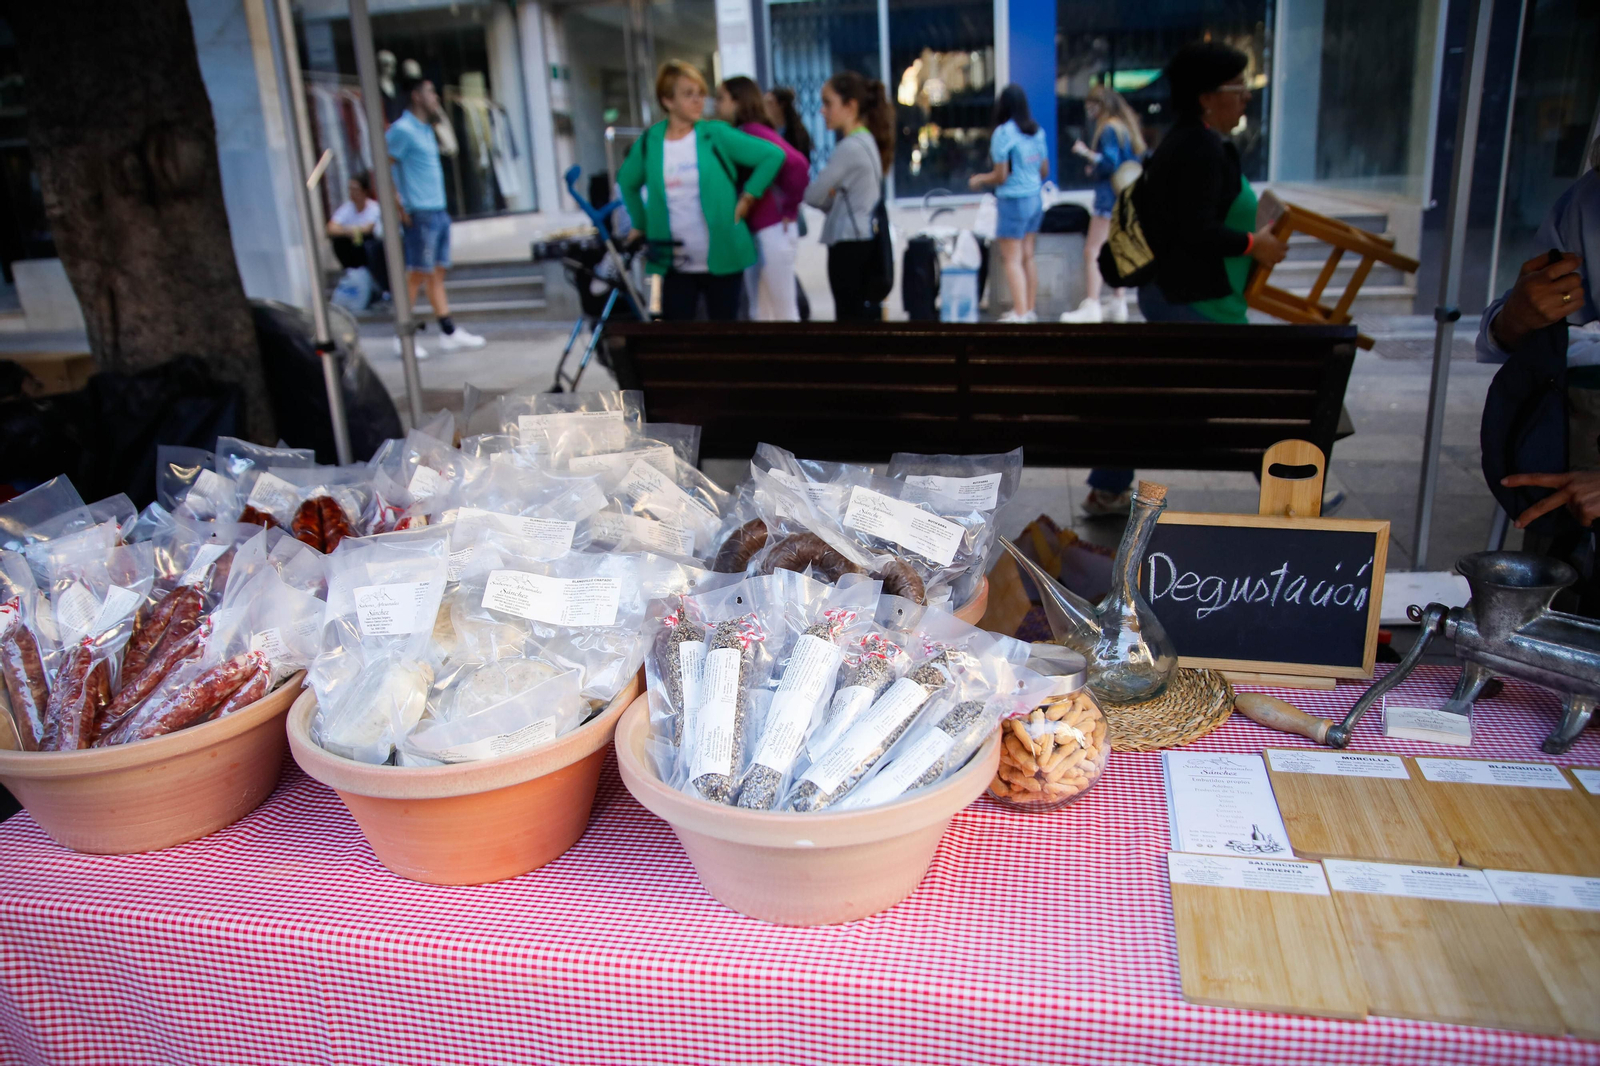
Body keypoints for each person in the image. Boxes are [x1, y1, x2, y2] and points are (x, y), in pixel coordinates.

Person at [1080, 41, 1288, 517]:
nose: (1246, 98)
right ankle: (1289, 490)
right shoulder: (1201, 147)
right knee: (1261, 394)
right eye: (1238, 88)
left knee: (1150, 391)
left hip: (1177, 294)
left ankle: (1109, 485)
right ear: (1207, 97)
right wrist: (1257, 245)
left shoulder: (1182, 141)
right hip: (1196, 300)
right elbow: (1194, 231)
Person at [1476, 141, 1597, 604]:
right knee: (1554, 615)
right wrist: (1518, 318)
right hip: (1569, 455)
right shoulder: (1586, 201)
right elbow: (1512, 328)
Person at [618, 61, 785, 322]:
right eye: (688, 94)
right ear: (667, 101)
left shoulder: (716, 133)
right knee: (674, 336)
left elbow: (772, 155)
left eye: (700, 93)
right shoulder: (650, 141)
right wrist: (639, 224)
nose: (698, 101)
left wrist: (748, 196)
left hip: (724, 257)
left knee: (724, 336)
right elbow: (626, 182)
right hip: (670, 263)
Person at [385, 74, 486, 357]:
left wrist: (439, 118)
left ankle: (449, 331)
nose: (436, 98)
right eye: (431, 92)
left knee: (436, 273)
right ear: (416, 96)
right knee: (417, 274)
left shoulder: (427, 128)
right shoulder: (402, 130)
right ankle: (402, 335)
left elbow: (451, 147)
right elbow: (383, 166)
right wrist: (398, 205)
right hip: (420, 213)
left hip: (438, 211)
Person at [716, 76, 810, 321]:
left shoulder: (751, 131)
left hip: (772, 229)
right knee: (762, 312)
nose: (716, 105)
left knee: (782, 311)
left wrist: (790, 209)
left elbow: (798, 164)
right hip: (762, 231)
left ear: (738, 101)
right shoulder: (748, 131)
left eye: (721, 99)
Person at [804, 71, 894, 321]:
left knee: (848, 318)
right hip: (864, 239)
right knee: (858, 316)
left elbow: (813, 195)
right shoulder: (867, 141)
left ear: (850, 106)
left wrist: (831, 198)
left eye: (828, 103)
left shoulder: (849, 148)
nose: (822, 111)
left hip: (848, 244)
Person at [1060, 85, 1147, 323]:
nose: (1089, 110)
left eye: (1092, 105)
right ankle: (1118, 301)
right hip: (1125, 197)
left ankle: (1093, 303)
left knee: (1093, 250)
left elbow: (1109, 162)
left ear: (1100, 105)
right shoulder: (1126, 127)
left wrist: (1086, 153)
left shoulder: (1108, 129)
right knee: (1116, 249)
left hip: (1107, 199)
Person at [968, 84, 1049, 323]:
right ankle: (1029, 309)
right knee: (1028, 256)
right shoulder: (1037, 132)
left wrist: (979, 179)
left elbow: (1000, 176)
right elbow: (1044, 169)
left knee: (1011, 259)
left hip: (1013, 201)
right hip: (1035, 199)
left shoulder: (1003, 134)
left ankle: (1020, 312)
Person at [326, 172, 390, 304]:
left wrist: (348, 230)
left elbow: (368, 229)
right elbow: (331, 228)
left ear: (364, 191)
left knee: (368, 244)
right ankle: (352, 270)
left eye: (355, 189)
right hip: (352, 245)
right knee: (339, 242)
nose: (352, 193)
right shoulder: (347, 208)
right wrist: (353, 231)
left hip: (370, 246)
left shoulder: (373, 208)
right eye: (350, 189)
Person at [765, 86, 813, 161]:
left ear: (781, 105)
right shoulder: (764, 130)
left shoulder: (797, 133)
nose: (765, 107)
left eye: (770, 103)